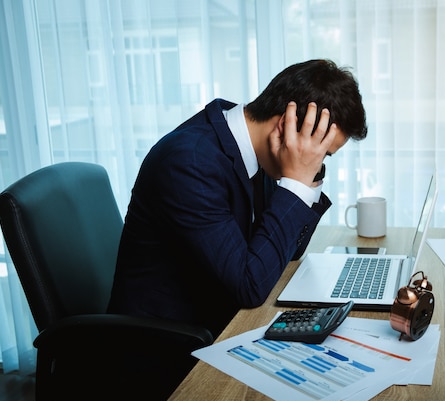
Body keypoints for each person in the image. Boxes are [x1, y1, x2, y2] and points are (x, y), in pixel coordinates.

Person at [107, 59, 368, 338]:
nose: (315, 163)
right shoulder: (189, 162)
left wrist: (304, 177)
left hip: (222, 321)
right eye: (320, 154)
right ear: (286, 128)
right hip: (166, 347)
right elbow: (250, 286)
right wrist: (297, 182)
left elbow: (291, 250)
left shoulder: (256, 149)